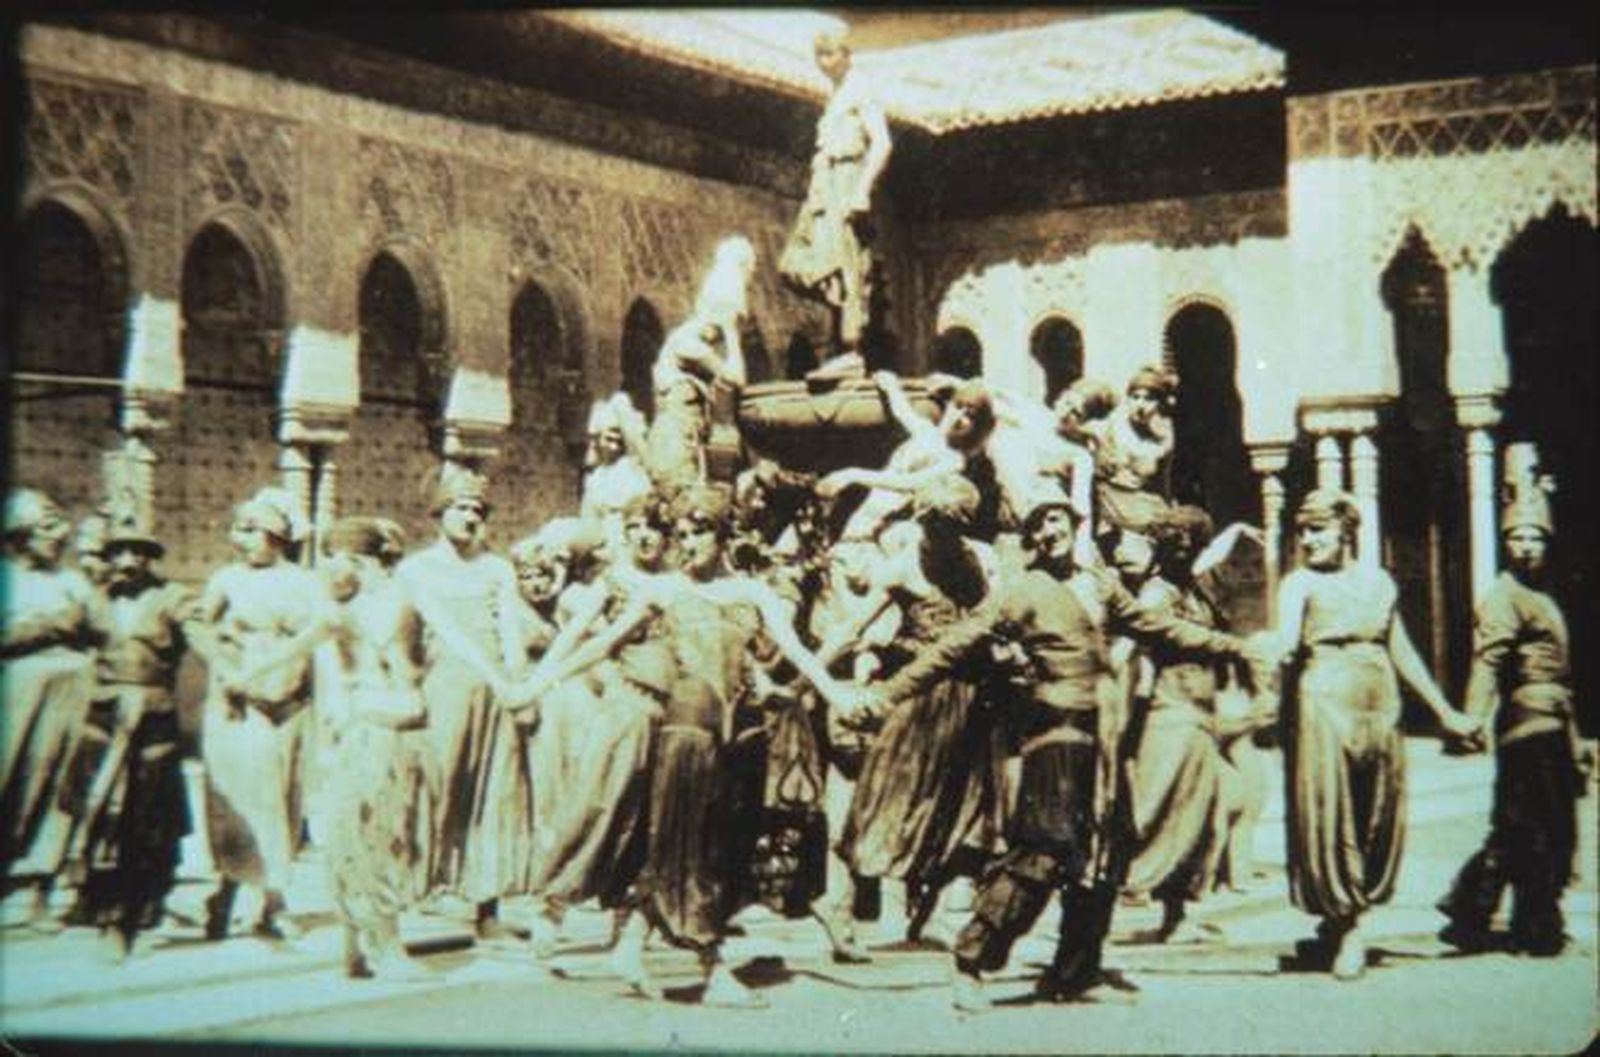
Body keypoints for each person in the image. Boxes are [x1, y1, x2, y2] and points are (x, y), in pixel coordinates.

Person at [845, 486, 1254, 1009]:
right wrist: (884, 697)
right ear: (1033, 536)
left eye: (1059, 519)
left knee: (1104, 856)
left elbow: (1162, 628)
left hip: (1101, 741)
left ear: (1074, 525)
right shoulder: (1022, 590)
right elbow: (951, 647)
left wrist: (1233, 645)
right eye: (1040, 523)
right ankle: (972, 957)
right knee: (1045, 849)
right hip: (1054, 736)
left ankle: (1075, 972)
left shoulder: (1100, 586)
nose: (1050, 530)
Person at [511, 485, 868, 1007]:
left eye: (699, 531)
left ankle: (631, 945)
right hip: (686, 737)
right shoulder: (662, 591)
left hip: (739, 743)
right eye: (682, 533)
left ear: (723, 535)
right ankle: (713, 967)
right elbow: (600, 644)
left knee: (711, 853)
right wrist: (534, 685)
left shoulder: (752, 593)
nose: (688, 541)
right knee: (695, 853)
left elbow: (796, 651)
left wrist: (836, 691)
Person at [1268, 489, 1481, 979]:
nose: (1306, 540)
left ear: (1346, 529)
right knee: (1331, 812)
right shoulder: (1298, 584)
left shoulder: (1379, 581)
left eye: (1317, 529)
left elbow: (1400, 649)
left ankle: (1344, 915)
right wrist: (1264, 656)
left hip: (1379, 699)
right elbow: (1284, 641)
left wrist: (1445, 711)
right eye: (1302, 531)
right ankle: (1349, 928)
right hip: (1323, 698)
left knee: (1375, 811)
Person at [830, 477, 1004, 944]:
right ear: (923, 521)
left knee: (963, 799)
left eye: (953, 526)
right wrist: (809, 676)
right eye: (936, 524)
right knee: (896, 793)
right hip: (918, 696)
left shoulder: (981, 561)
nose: (943, 535)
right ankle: (874, 907)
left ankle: (937, 911)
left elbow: (1001, 617)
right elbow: (851, 626)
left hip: (970, 692)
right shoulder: (902, 565)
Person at [1437, 476, 1579, 957]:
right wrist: (1471, 719)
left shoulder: (1545, 595)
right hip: (1526, 725)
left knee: (1530, 824)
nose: (1525, 546)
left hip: (1555, 722)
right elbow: (1488, 661)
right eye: (1516, 537)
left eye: (1534, 536)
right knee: (1534, 825)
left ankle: (1471, 914)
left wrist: (1577, 743)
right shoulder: (1504, 595)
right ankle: (1531, 927)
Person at [395, 462, 528, 939]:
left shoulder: (497, 569)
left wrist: (518, 687)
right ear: (438, 512)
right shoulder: (413, 571)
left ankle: (487, 910)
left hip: (496, 698)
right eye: (460, 507)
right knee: (435, 791)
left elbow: (510, 631)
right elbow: (402, 641)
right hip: (442, 694)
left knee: (495, 796)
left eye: (477, 508)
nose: (470, 516)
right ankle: (409, 898)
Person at [184, 486, 322, 941]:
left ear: (278, 534)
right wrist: (223, 665)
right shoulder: (227, 579)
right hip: (239, 707)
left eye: (251, 529)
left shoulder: (304, 582)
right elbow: (196, 624)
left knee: (282, 803)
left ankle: (272, 902)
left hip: (290, 706)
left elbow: (319, 641)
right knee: (237, 801)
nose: (239, 538)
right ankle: (224, 892)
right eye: (236, 529)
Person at [61, 507, 193, 958]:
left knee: (150, 821)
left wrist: (237, 668)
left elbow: (202, 633)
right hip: (103, 723)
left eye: (138, 553)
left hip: (153, 725)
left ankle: (137, 910)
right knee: (97, 815)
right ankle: (104, 910)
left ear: (150, 559)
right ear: (109, 556)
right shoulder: (92, 600)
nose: (128, 562)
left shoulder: (171, 598)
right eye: (119, 552)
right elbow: (51, 628)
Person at [1120, 506, 1249, 943]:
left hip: (1201, 714)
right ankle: (1100, 900)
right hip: (1170, 714)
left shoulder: (1193, 588)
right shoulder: (1157, 594)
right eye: (1177, 545)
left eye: (1190, 545)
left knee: (1201, 814)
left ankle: (1176, 915)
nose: (1185, 552)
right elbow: (1141, 649)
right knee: (1155, 813)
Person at [314, 517, 435, 981]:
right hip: (357, 728)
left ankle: (377, 942)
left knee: (382, 835)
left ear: (358, 559)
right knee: (355, 835)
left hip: (387, 723)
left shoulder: (393, 602)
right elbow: (328, 674)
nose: (326, 567)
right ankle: (363, 942)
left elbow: (400, 668)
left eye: (333, 557)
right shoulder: (343, 606)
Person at [2, 489, 101, 923]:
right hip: (17, 696)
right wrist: (49, 626)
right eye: (47, 532)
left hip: (70, 698)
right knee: (13, 780)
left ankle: (43, 880)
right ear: (21, 534)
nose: (58, 540)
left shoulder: (73, 582)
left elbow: (100, 630)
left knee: (59, 785)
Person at [779, 28, 892, 375]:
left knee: (846, 269)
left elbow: (882, 143)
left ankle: (851, 349)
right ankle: (841, 342)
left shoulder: (861, 89)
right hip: (824, 189)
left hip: (846, 183)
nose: (824, 62)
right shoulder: (836, 96)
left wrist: (861, 189)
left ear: (846, 53)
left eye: (829, 54)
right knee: (799, 265)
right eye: (819, 55)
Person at [819, 371, 999, 544]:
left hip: (891, 524)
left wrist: (852, 474)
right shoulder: (925, 430)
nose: (960, 417)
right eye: (959, 406)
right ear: (950, 404)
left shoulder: (954, 461)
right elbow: (902, 411)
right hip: (869, 510)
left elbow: (908, 483)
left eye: (970, 416)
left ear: (976, 427)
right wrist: (890, 384)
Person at [644, 240, 753, 494]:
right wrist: (731, 333)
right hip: (674, 446)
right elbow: (737, 378)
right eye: (719, 331)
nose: (719, 340)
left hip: (688, 443)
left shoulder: (692, 341)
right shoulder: (687, 342)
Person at [1092, 367, 1177, 534]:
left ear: (1159, 403)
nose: (1140, 405)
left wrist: (1169, 511)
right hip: (1109, 504)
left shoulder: (1163, 439)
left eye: (1149, 399)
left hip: (1141, 505)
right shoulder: (1112, 427)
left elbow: (1163, 484)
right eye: (1135, 397)